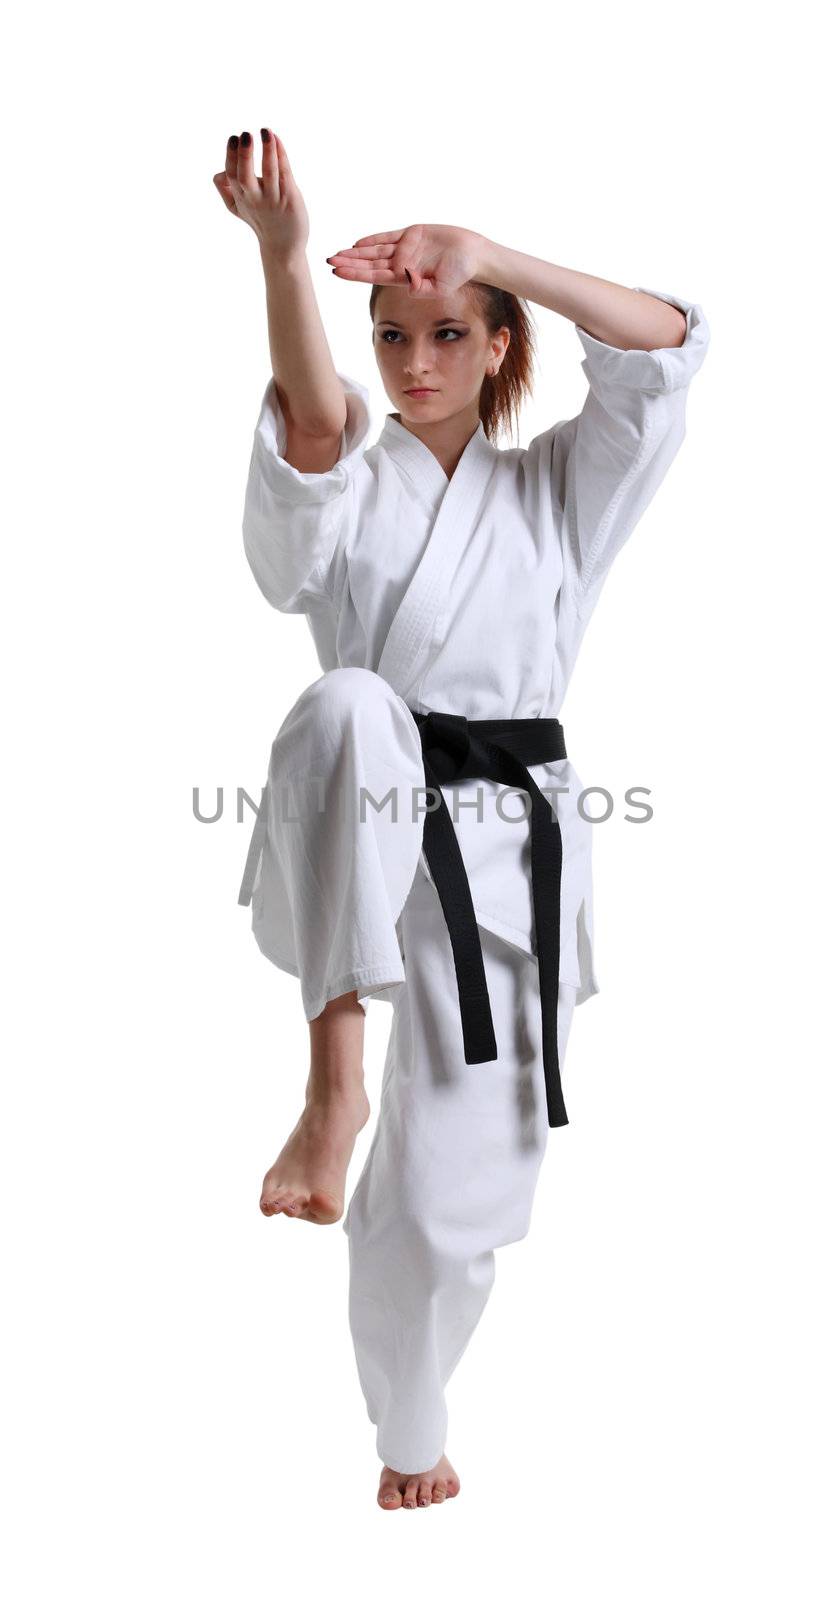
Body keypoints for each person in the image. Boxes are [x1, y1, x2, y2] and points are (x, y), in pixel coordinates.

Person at [213, 127, 710, 1510]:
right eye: (389, 337)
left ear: (498, 344)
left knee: (448, 1213)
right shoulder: (350, 473)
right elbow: (313, 428)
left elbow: (666, 345)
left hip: (506, 865)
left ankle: (408, 1424)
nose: (412, 361)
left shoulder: (558, 491)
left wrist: (492, 254)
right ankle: (333, 1080)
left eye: (445, 331)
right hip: (357, 824)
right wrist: (281, 258)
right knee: (352, 706)